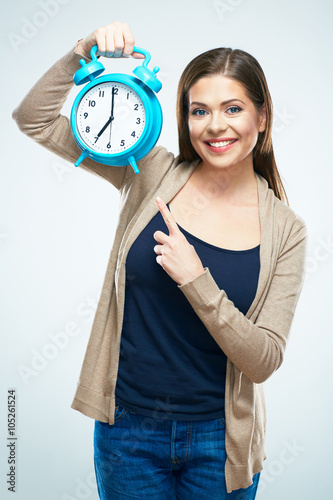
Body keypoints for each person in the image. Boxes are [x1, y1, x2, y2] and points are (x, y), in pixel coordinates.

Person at [12, 21, 307, 500]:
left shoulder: (286, 230)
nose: (215, 126)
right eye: (199, 111)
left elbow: (264, 360)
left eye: (233, 108)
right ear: (184, 118)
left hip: (221, 444)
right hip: (127, 434)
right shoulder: (150, 171)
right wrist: (82, 53)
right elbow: (35, 119)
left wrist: (197, 281)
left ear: (263, 117)